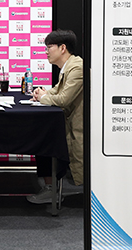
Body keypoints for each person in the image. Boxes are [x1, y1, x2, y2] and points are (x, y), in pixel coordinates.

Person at [27, 29, 84, 204]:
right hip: (68, 124)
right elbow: (56, 92)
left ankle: (52, 189)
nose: (46, 52)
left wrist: (43, 97)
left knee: (45, 140)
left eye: (49, 47)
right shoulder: (68, 67)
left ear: (62, 48)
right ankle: (50, 188)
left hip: (78, 128)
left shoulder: (77, 67)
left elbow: (63, 99)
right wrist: (43, 94)